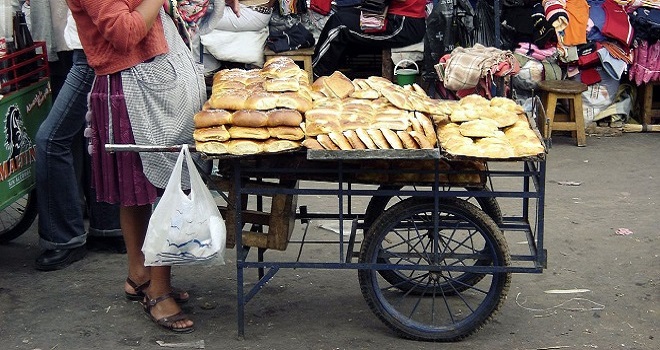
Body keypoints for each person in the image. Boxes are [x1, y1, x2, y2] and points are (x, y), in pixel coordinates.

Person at [67, 0, 240, 333]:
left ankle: (140, 275)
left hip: (152, 80)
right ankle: (158, 292)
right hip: (135, 88)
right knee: (165, 187)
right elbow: (123, 33)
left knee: (139, 190)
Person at [33, 3, 125, 272]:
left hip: (91, 52)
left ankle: (64, 239)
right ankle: (108, 229)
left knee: (51, 140)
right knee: (96, 137)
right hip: (91, 48)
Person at [311, 0, 427, 78]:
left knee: (339, 26)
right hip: (397, 17)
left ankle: (316, 75)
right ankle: (332, 74)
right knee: (339, 17)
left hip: (403, 24)